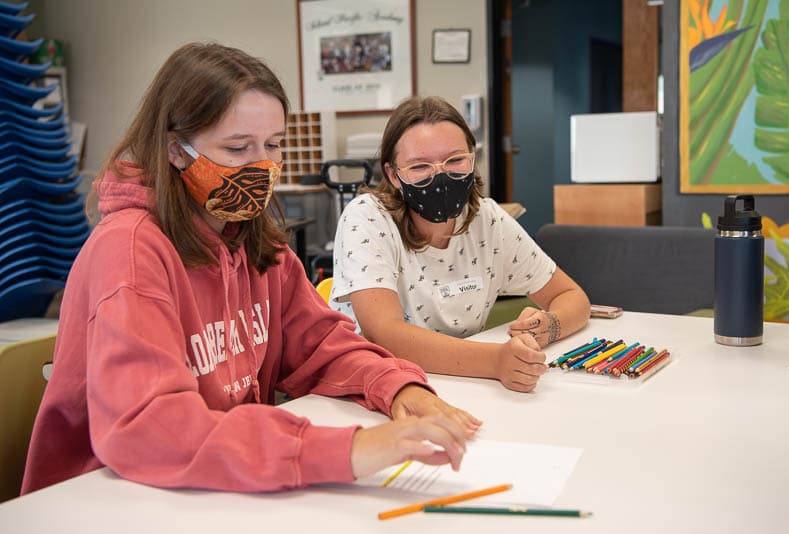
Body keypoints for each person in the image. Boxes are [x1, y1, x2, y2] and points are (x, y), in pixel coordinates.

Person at [22, 43, 481, 495]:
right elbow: (150, 426)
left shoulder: (254, 239)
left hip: (223, 480)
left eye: (273, 145)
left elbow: (322, 344)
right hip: (109, 496)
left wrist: (398, 388)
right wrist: (348, 449)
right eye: (238, 147)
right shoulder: (130, 251)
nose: (261, 167)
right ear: (176, 150)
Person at [330, 96, 590, 393]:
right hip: (376, 388)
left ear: (472, 158)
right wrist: (495, 362)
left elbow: (573, 296)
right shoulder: (366, 218)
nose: (440, 176)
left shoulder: (486, 218)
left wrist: (548, 326)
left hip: (461, 384)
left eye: (455, 161)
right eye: (419, 166)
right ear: (392, 175)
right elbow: (385, 335)